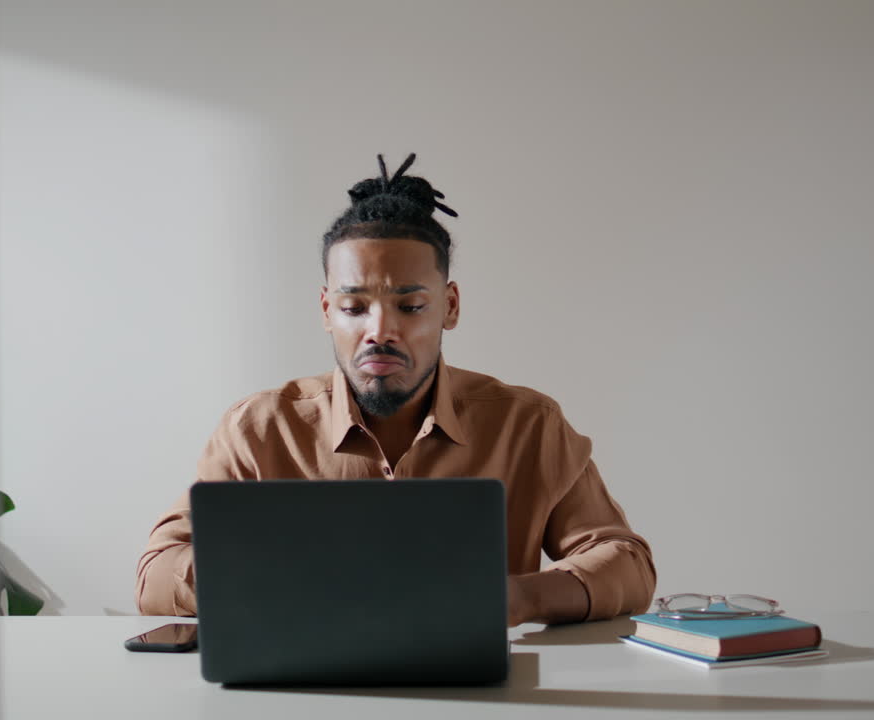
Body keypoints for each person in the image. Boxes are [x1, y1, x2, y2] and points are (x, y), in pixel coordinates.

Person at [135, 153, 655, 625]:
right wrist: (282, 578)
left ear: (450, 306)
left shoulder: (529, 424)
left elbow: (627, 564)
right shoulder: (259, 429)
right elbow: (157, 575)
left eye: (410, 306)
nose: (380, 331)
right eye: (354, 307)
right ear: (326, 311)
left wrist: (519, 597)